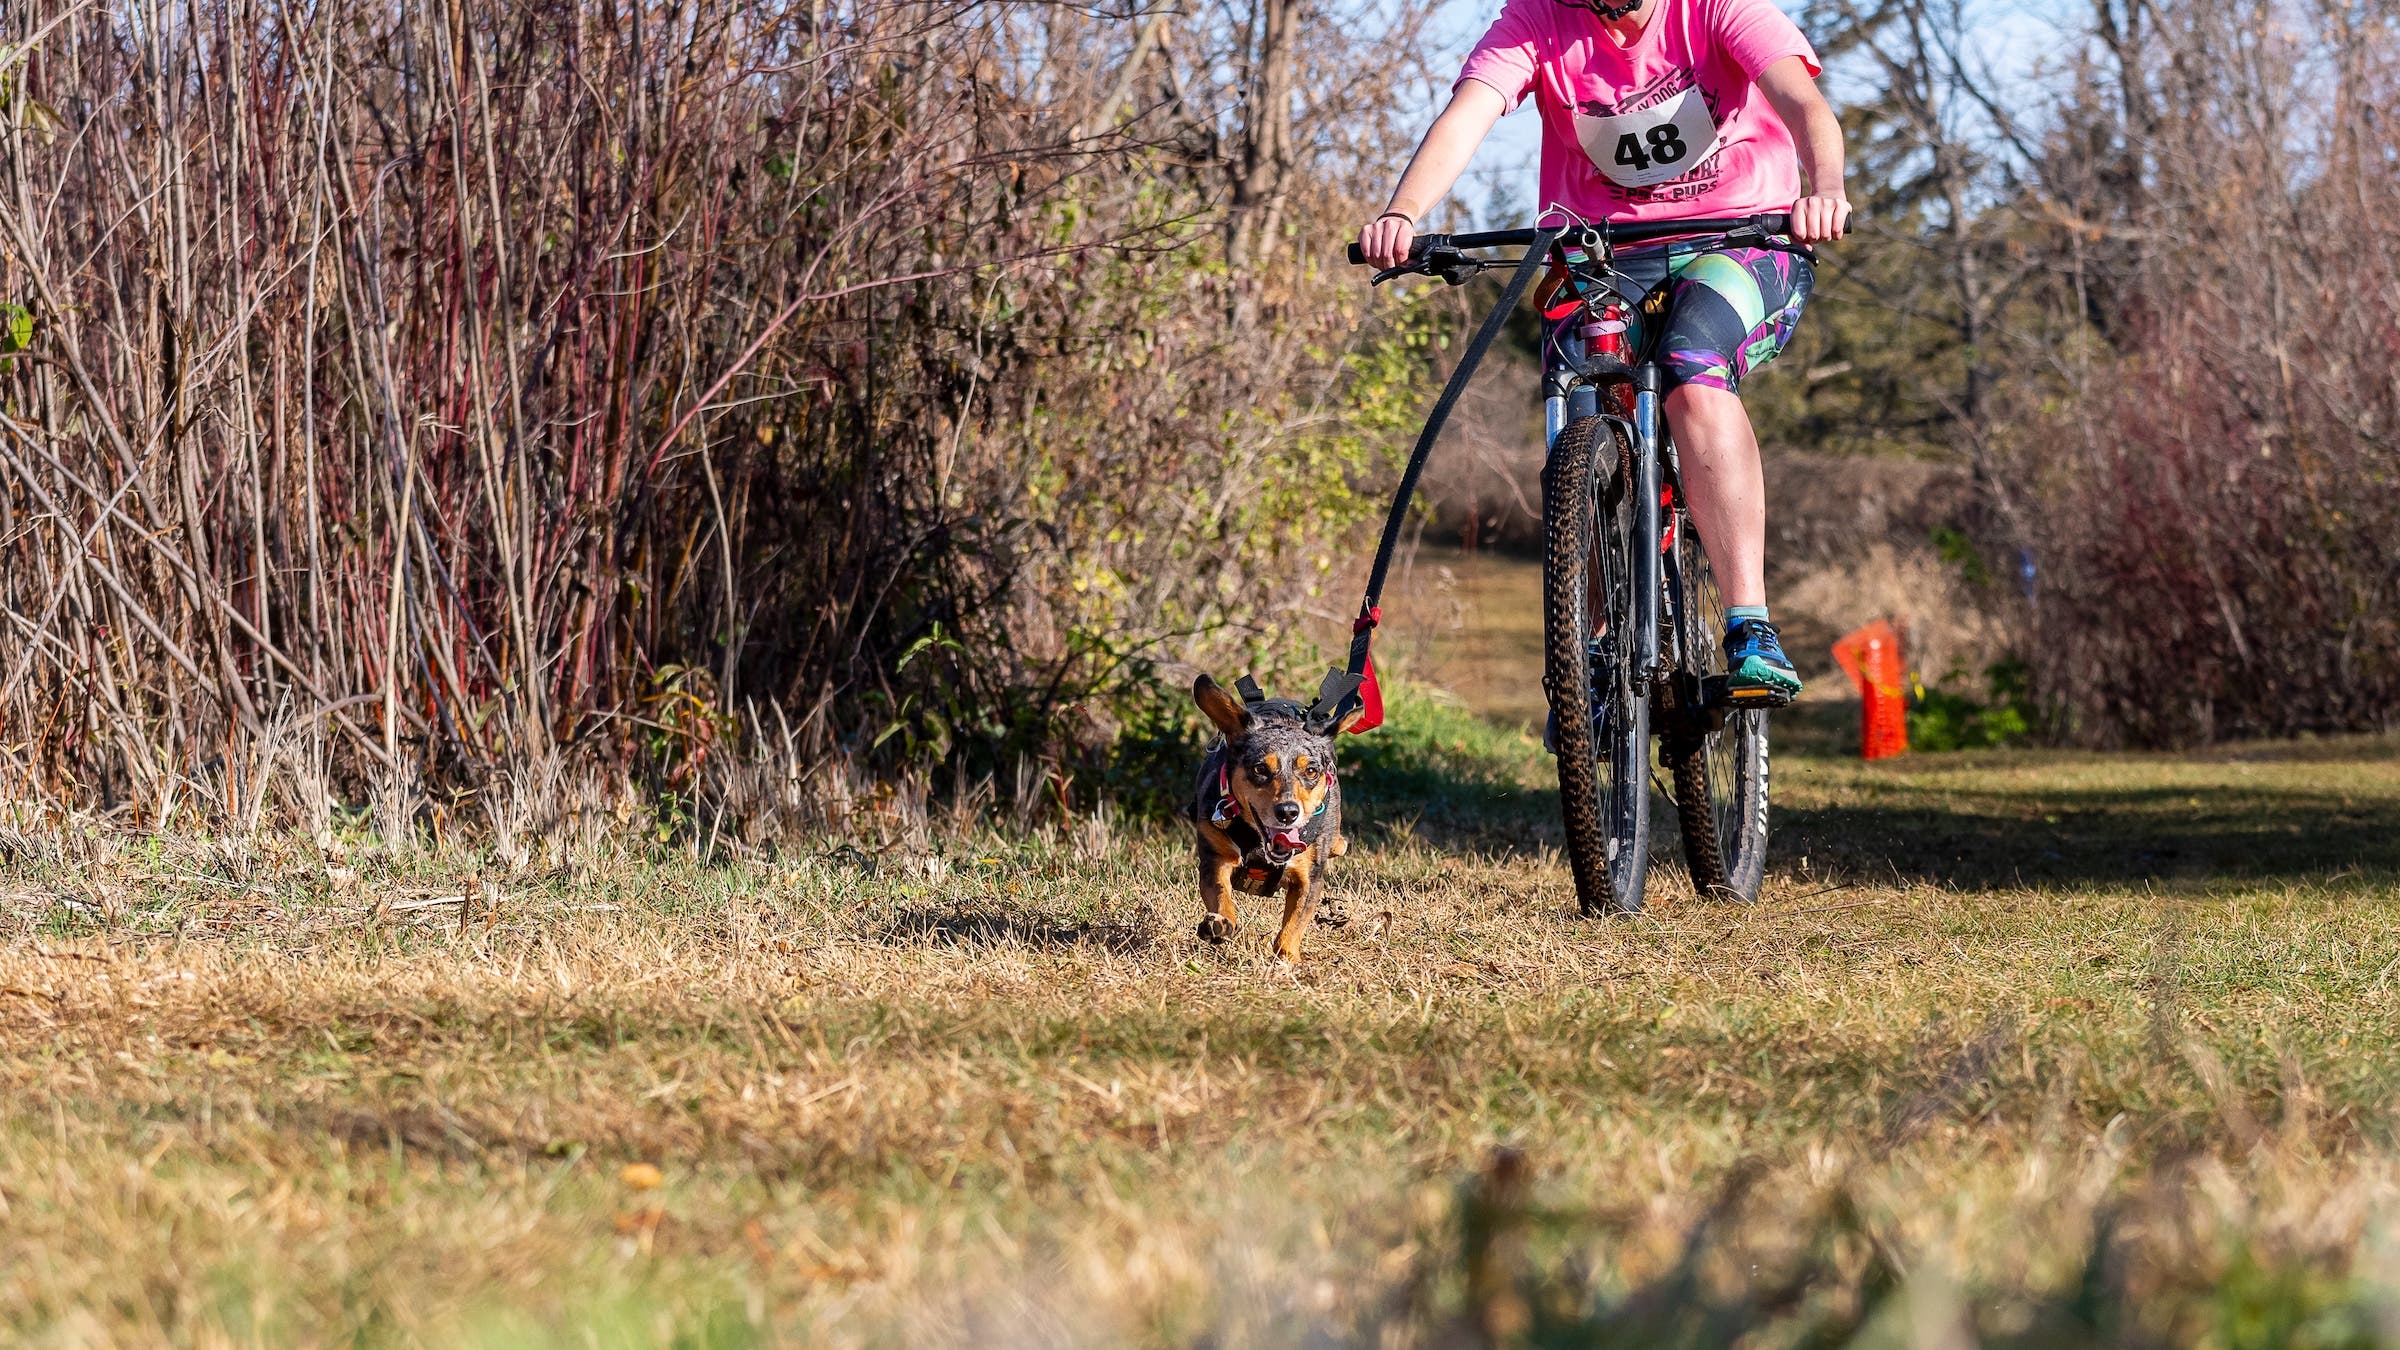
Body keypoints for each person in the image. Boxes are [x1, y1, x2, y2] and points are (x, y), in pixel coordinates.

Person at [1357, 0, 1848, 702]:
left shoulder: (1717, 6)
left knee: (1690, 367)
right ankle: (1588, 655)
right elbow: (1469, 113)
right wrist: (1403, 213)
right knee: (1577, 411)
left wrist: (1825, 190)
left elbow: (1801, 100)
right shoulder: (1536, 20)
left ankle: (1748, 624)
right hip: (1601, 253)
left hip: (1742, 238)